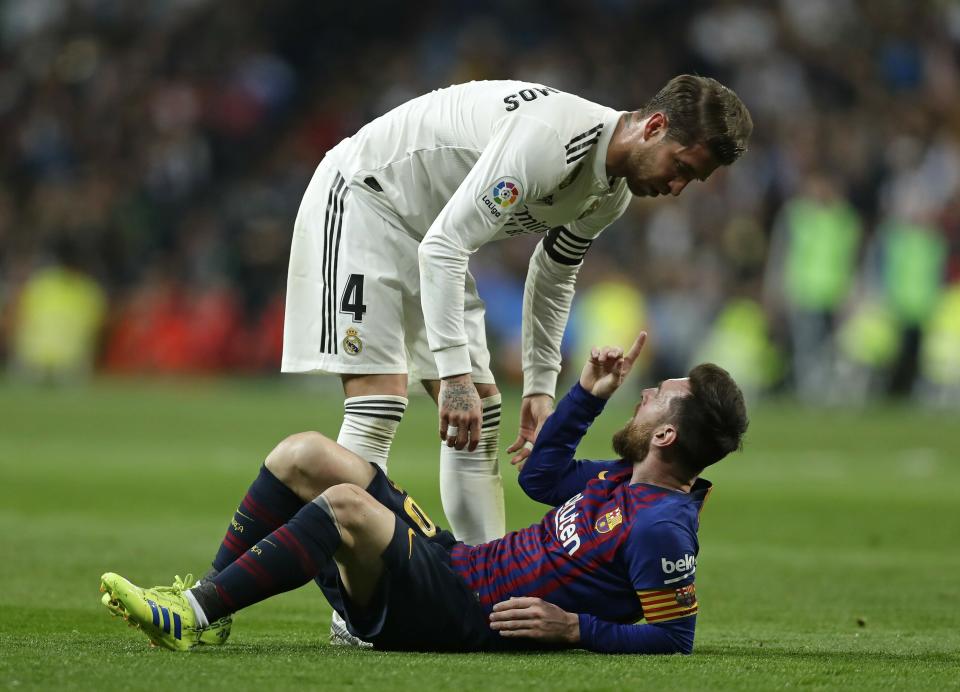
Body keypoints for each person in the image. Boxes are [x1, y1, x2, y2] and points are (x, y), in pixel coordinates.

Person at [282, 76, 753, 551]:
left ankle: (483, 589)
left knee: (481, 415)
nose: (676, 188)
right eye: (681, 167)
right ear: (654, 126)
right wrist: (455, 376)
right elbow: (445, 247)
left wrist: (539, 387)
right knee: (379, 404)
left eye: (690, 181)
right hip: (365, 200)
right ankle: (352, 612)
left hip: (428, 236)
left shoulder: (613, 190)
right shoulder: (549, 140)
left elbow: (552, 273)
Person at [99, 331, 749, 654]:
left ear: (665, 433)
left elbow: (675, 637)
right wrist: (587, 396)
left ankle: (190, 614)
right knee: (306, 453)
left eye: (655, 396)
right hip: (453, 563)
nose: (643, 395)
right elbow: (538, 477)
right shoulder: (618, 480)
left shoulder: (662, 524)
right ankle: (219, 609)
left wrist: (575, 627)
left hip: (458, 613)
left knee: (346, 509)